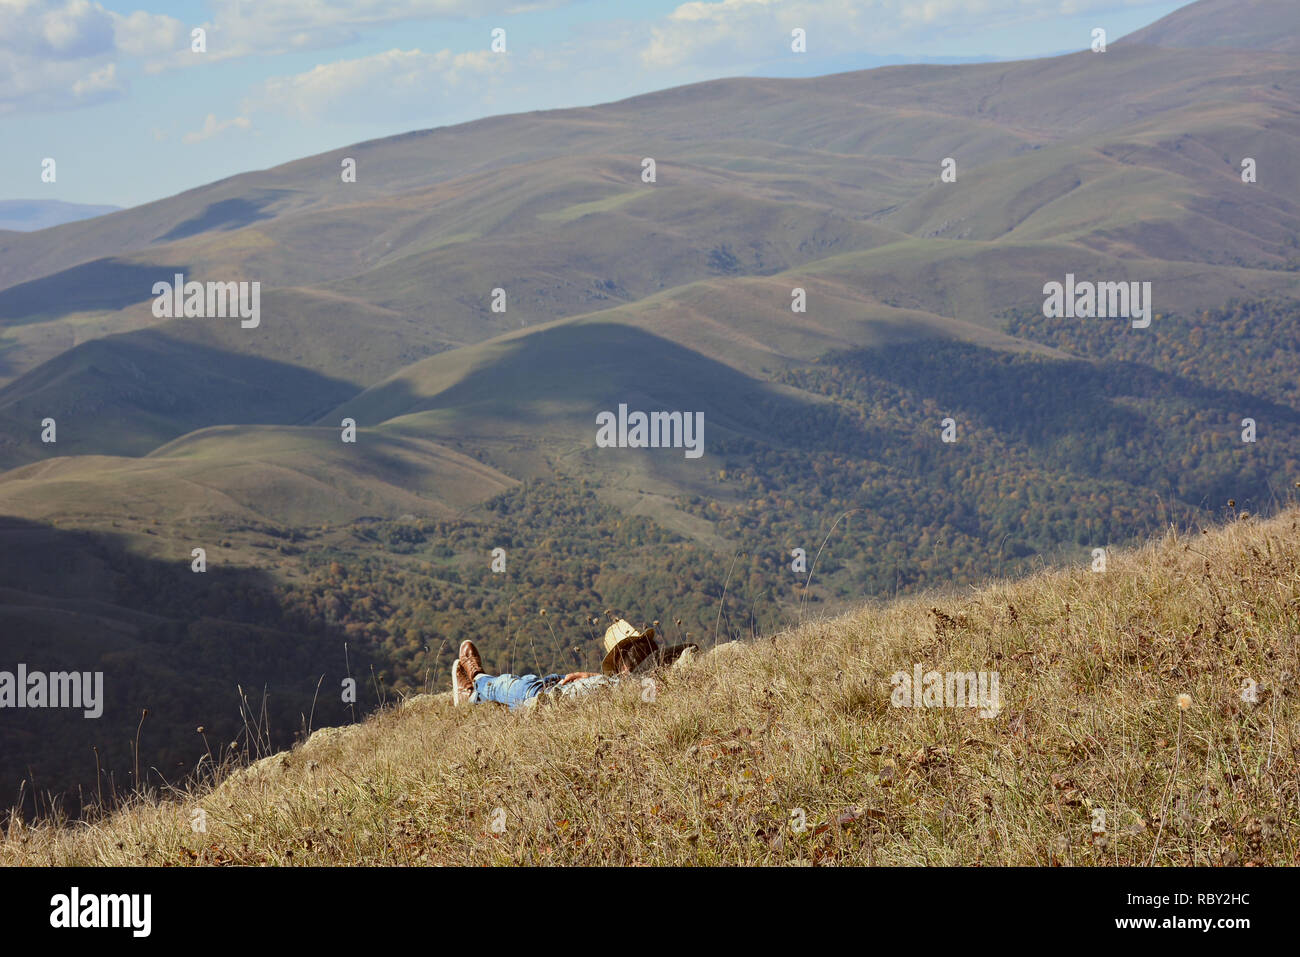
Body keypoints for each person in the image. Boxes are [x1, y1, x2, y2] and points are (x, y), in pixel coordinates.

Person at [452, 619, 696, 710]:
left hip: (546, 697)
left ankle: (477, 684)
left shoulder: (634, 685)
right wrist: (589, 676)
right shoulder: (629, 681)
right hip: (559, 687)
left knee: (519, 687)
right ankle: (476, 690)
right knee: (535, 681)